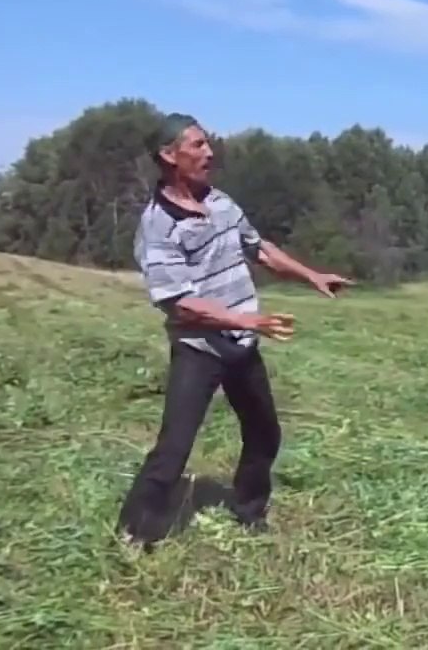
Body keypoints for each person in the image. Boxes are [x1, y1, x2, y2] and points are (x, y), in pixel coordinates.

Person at [117, 112, 353, 548]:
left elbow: (258, 248)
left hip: (241, 345)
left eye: (208, 143)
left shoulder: (221, 202)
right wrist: (245, 319)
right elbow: (180, 304)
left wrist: (312, 276)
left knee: (265, 433)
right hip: (200, 350)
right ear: (169, 156)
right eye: (197, 146)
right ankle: (135, 532)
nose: (209, 152)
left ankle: (249, 511)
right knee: (173, 451)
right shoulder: (159, 225)